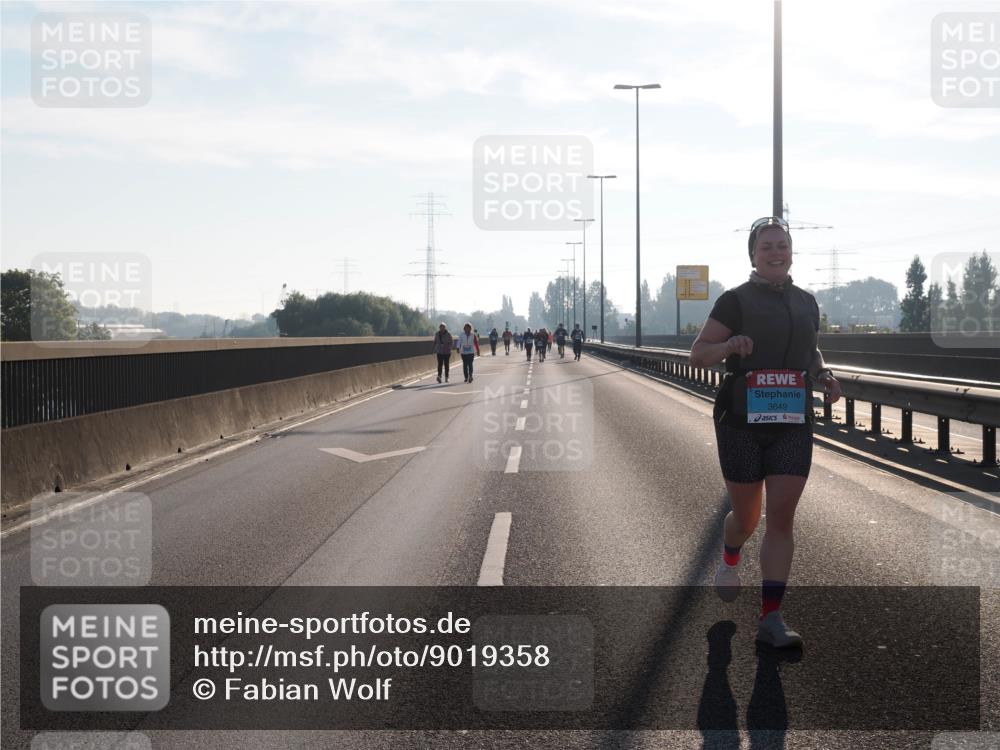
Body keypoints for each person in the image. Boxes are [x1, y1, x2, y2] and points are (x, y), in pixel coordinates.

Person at [690, 216, 842, 649]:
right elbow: (699, 354)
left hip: (792, 422)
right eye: (767, 247)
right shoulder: (734, 301)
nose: (776, 253)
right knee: (747, 518)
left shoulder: (807, 302)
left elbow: (810, 350)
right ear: (753, 255)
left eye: (782, 246)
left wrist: (823, 374)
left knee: (781, 516)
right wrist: (729, 346)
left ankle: (771, 618)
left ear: (791, 252)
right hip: (741, 422)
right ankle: (730, 553)